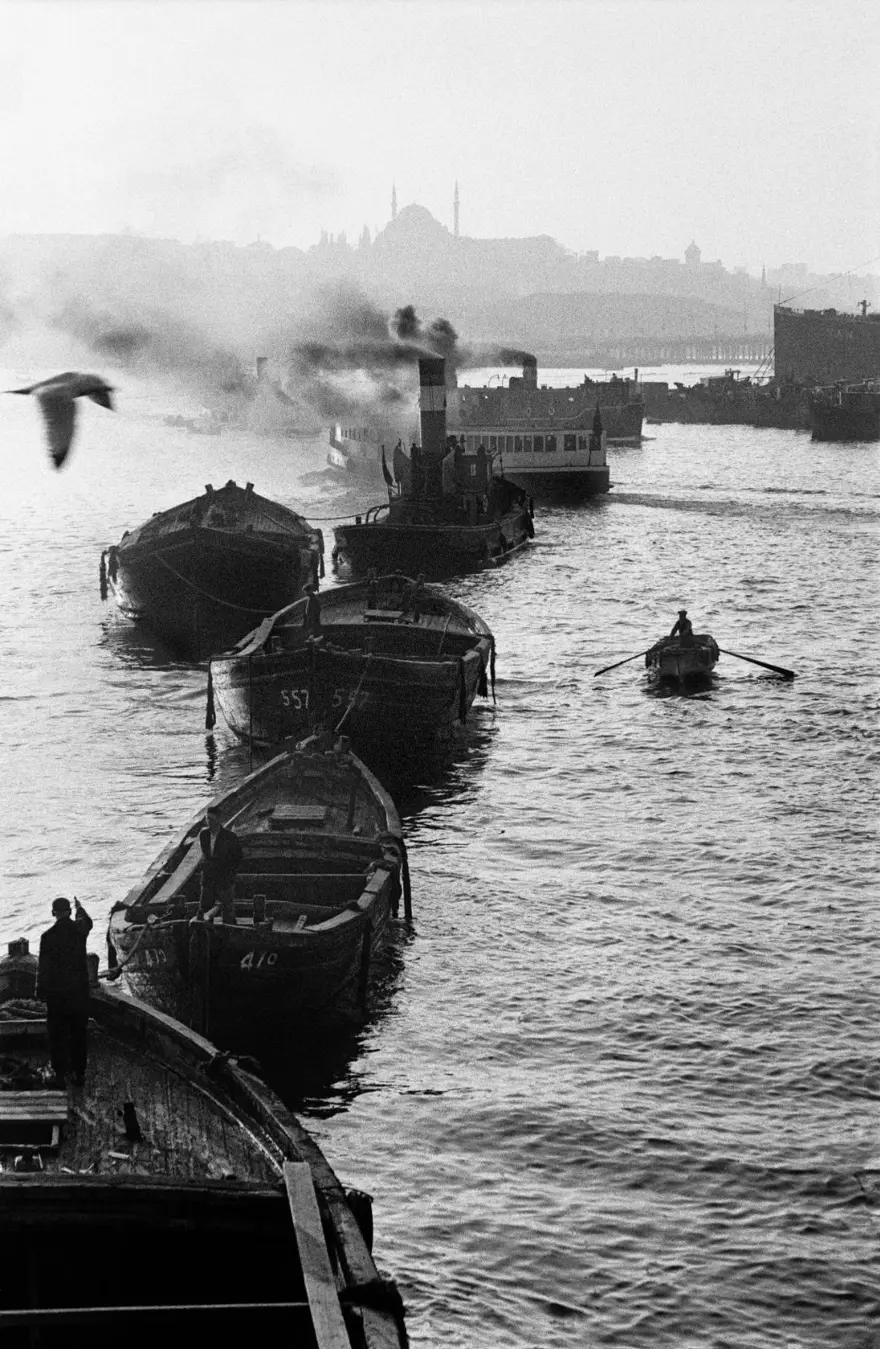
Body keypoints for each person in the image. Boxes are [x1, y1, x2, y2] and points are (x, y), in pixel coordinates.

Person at [36, 896, 93, 1087]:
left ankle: (59, 1075)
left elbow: (43, 968)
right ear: (69, 912)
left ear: (53, 913)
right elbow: (88, 922)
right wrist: (80, 909)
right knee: (79, 1034)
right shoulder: (80, 930)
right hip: (78, 993)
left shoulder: (47, 937)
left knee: (57, 1035)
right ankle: (79, 1074)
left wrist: (40, 991)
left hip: (57, 995)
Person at [196, 806, 243, 925]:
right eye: (207, 819)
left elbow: (237, 858)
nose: (209, 822)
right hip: (208, 878)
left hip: (224, 878)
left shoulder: (230, 837)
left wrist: (230, 874)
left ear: (218, 819)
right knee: (204, 909)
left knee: (228, 910)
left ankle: (229, 931)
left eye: (211, 819)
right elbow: (206, 855)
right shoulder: (204, 835)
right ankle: (205, 932)